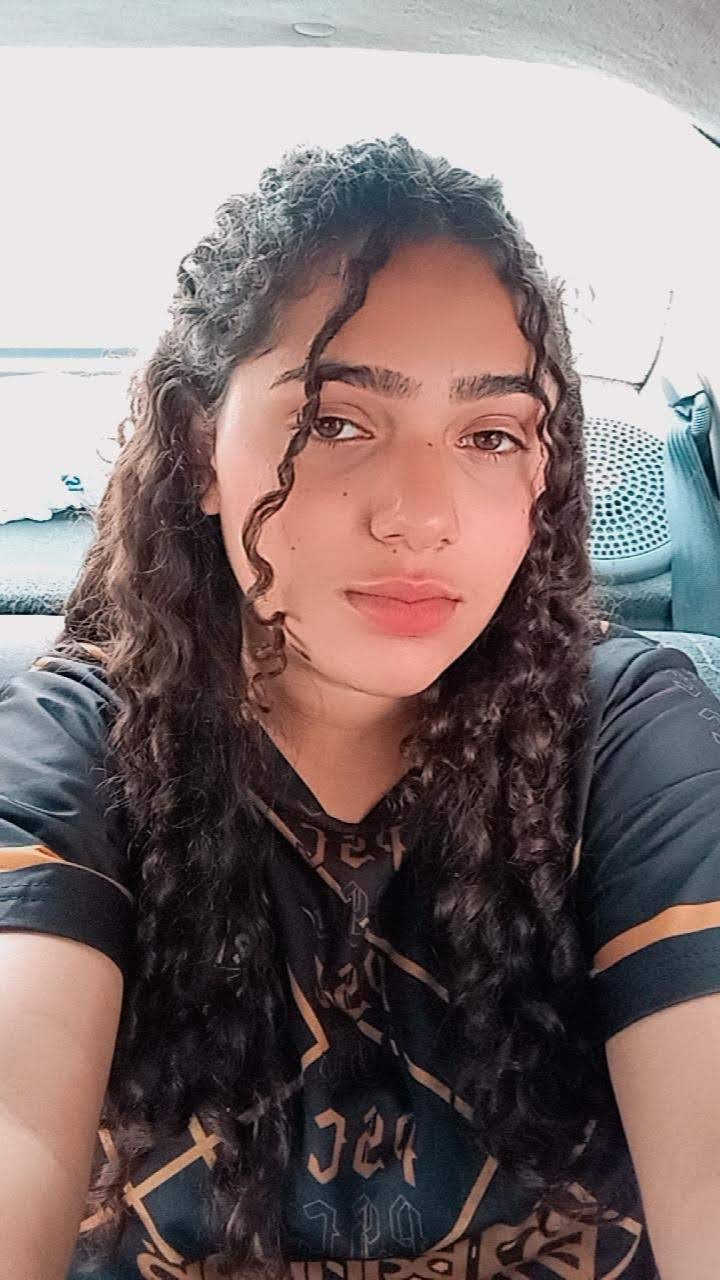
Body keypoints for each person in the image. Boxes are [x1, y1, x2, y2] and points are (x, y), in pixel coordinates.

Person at [1, 134, 719, 1280]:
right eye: (336, 421)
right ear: (197, 445)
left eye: (490, 434)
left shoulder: (624, 739)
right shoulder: (82, 747)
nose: (421, 514)